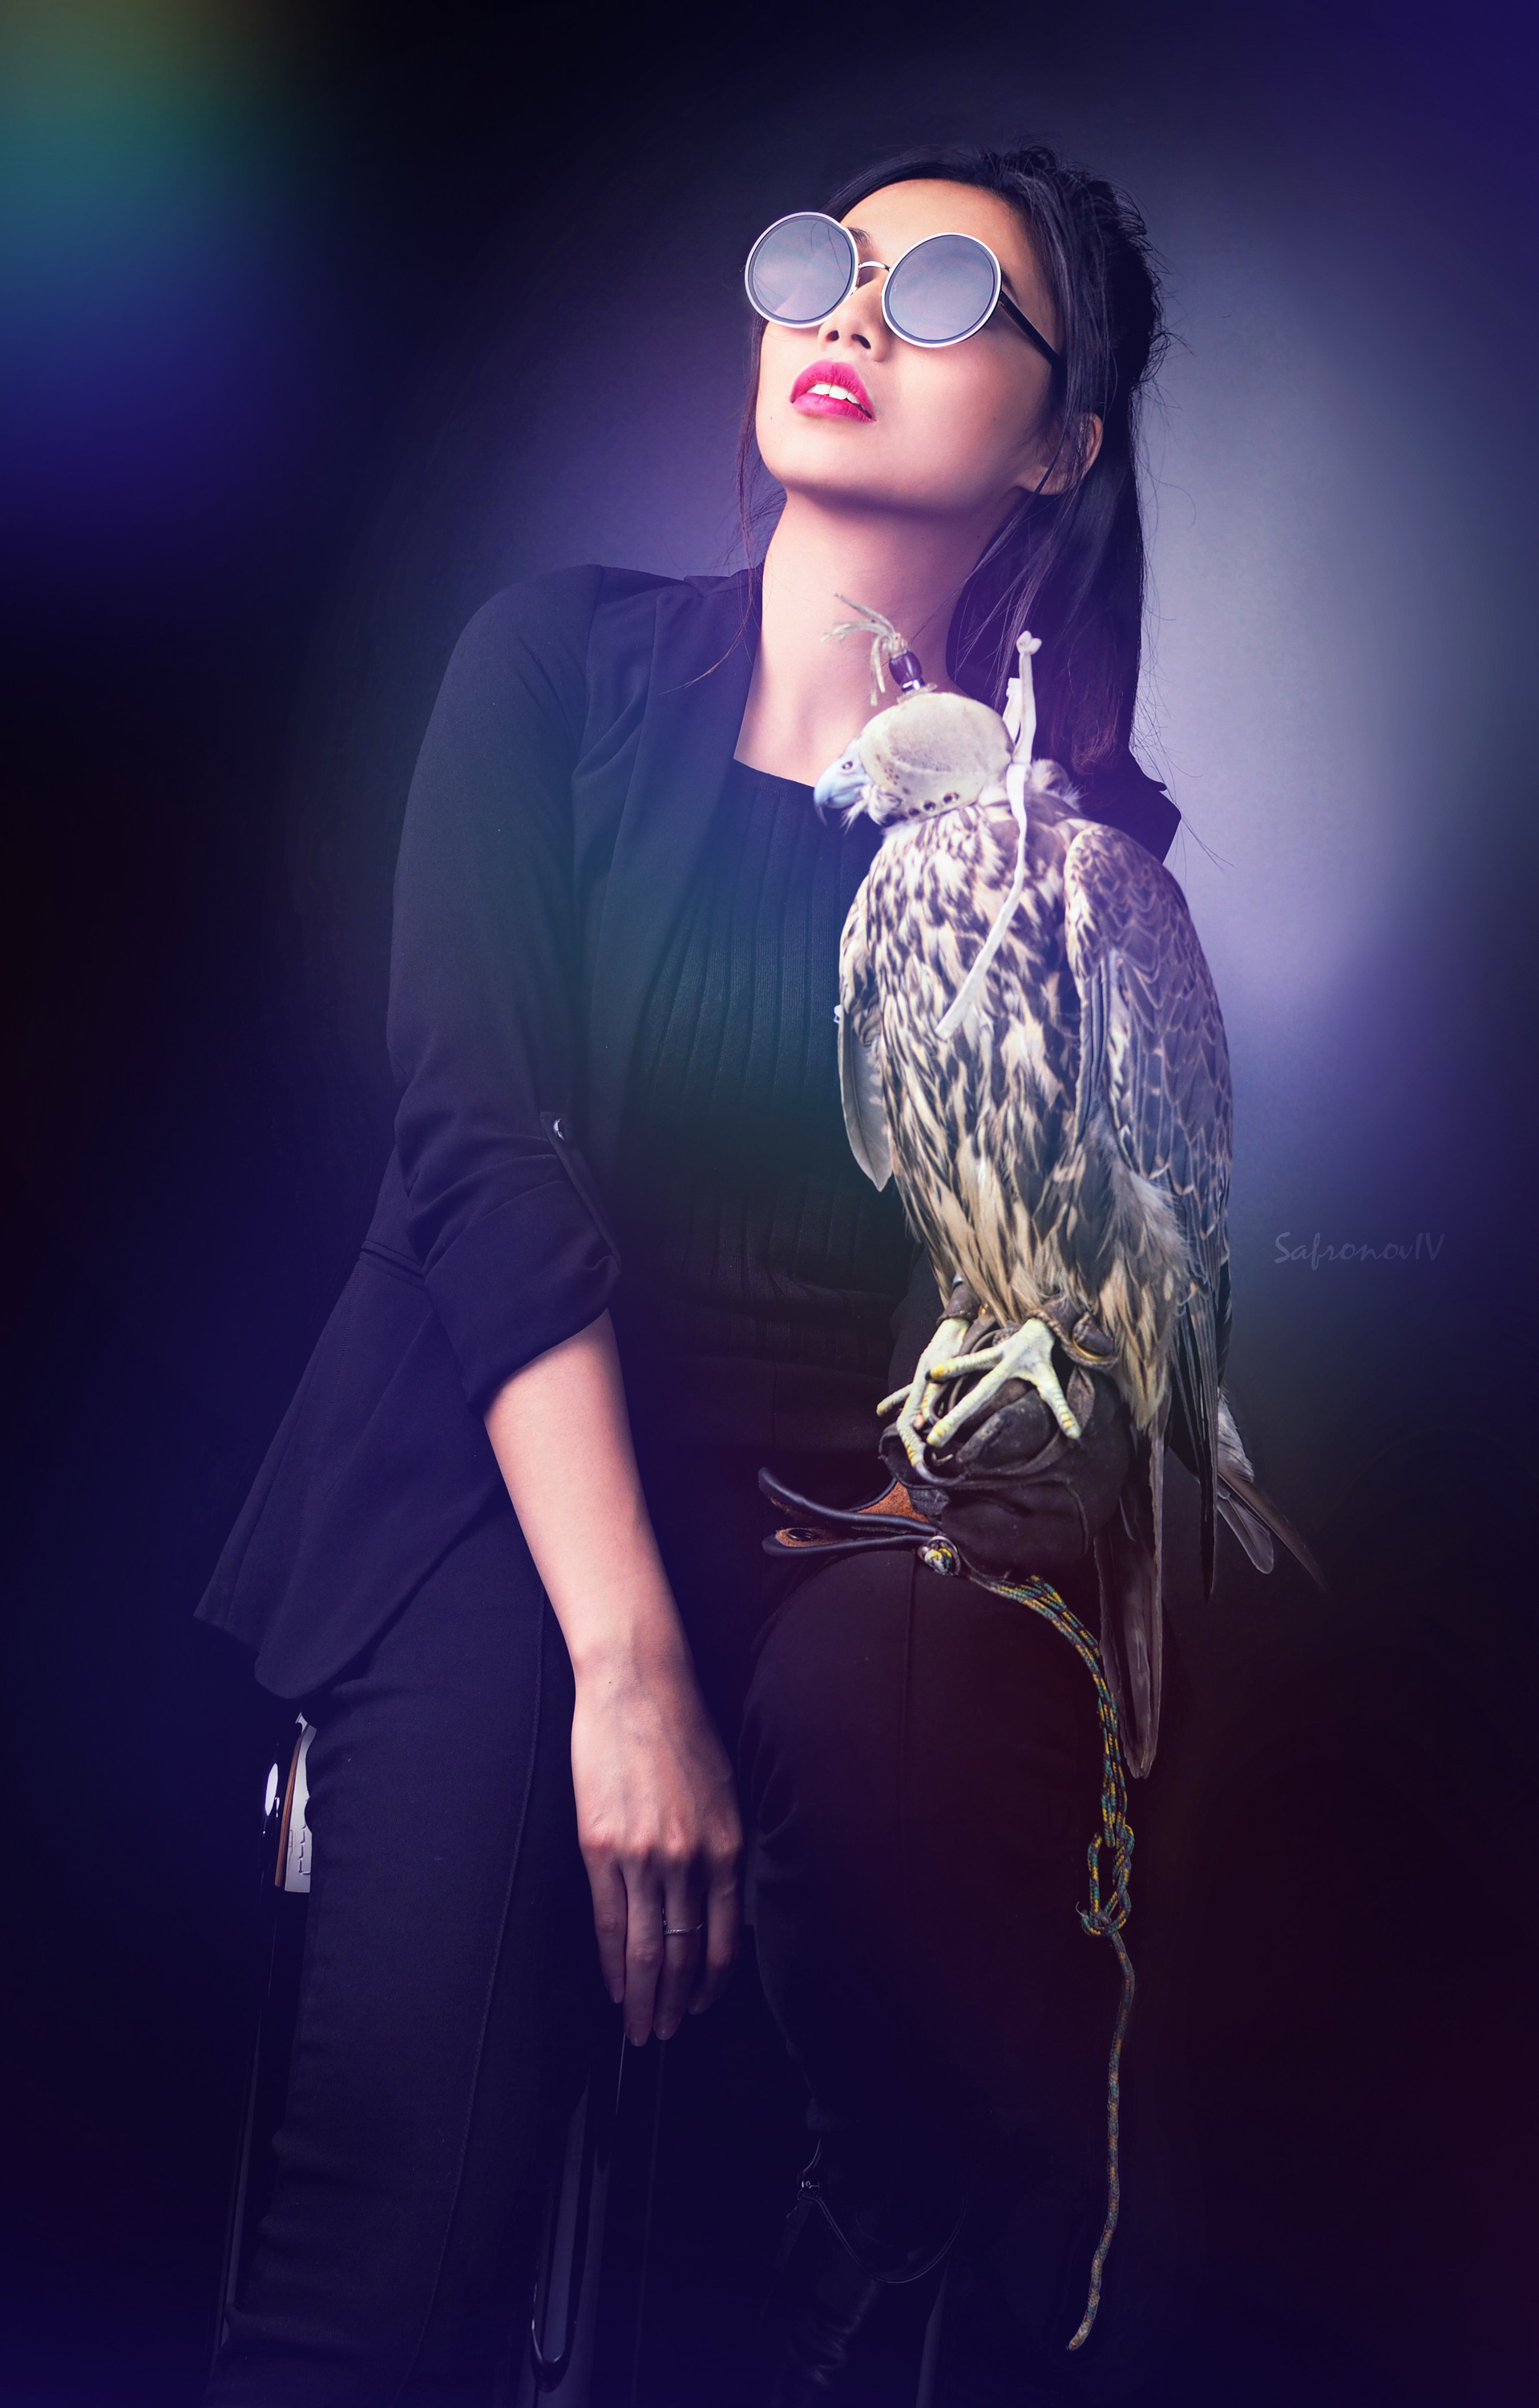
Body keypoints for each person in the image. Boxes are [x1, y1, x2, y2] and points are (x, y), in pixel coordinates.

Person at [198, 141, 1177, 2405]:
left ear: (1059, 442)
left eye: (948, 291)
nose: (853, 314)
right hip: (498, 1492)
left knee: (877, 1946)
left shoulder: (1074, 862)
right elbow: (478, 1155)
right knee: (400, 2258)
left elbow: (1040, 1339)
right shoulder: (550, 669)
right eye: (824, 263)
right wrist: (629, 1665)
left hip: (850, 1540)